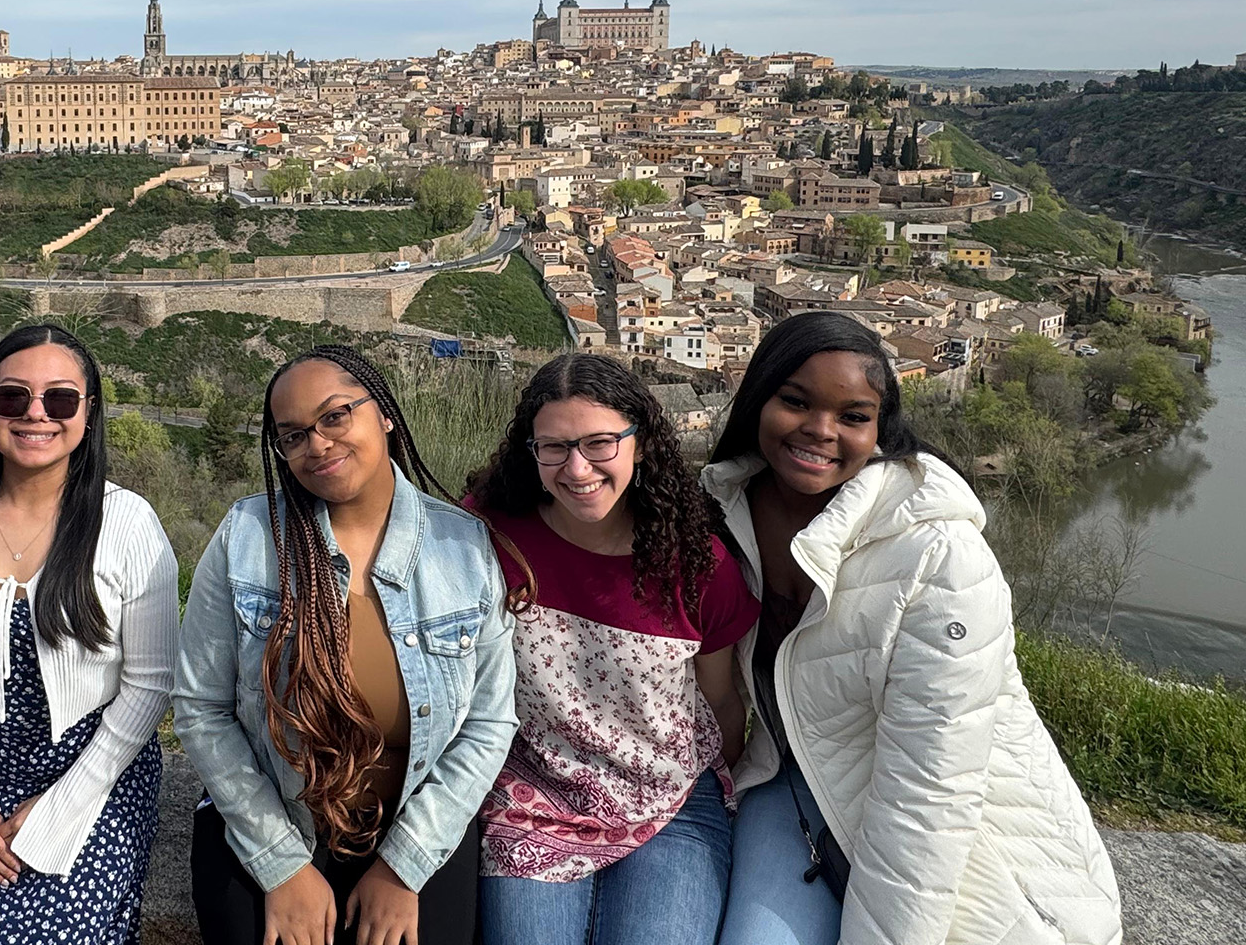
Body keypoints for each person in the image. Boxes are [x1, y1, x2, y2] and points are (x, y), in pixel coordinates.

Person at [705, 312, 1122, 945]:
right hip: (789, 782)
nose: (821, 430)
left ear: (880, 428)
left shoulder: (940, 555)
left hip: (961, 838)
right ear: (757, 398)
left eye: (853, 415)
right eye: (796, 401)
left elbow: (932, 789)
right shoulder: (721, 511)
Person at [173, 344, 517, 945]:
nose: (318, 444)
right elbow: (202, 709)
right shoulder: (246, 539)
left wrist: (403, 867)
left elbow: (489, 723)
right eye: (293, 435)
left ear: (383, 413)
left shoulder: (463, 551)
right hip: (270, 820)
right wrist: (282, 867)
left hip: (416, 827)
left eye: (335, 416)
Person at [0, 324, 178, 945]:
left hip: (93, 773)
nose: (36, 413)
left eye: (61, 399)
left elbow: (150, 685)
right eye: (13, 396)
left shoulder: (127, 524)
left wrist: (59, 806)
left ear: (88, 413)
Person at [467, 353, 756, 945]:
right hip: (532, 795)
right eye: (554, 447)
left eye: (600, 443)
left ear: (640, 444)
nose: (577, 469)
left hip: (671, 799)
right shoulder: (488, 536)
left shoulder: (697, 564)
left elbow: (722, 701)